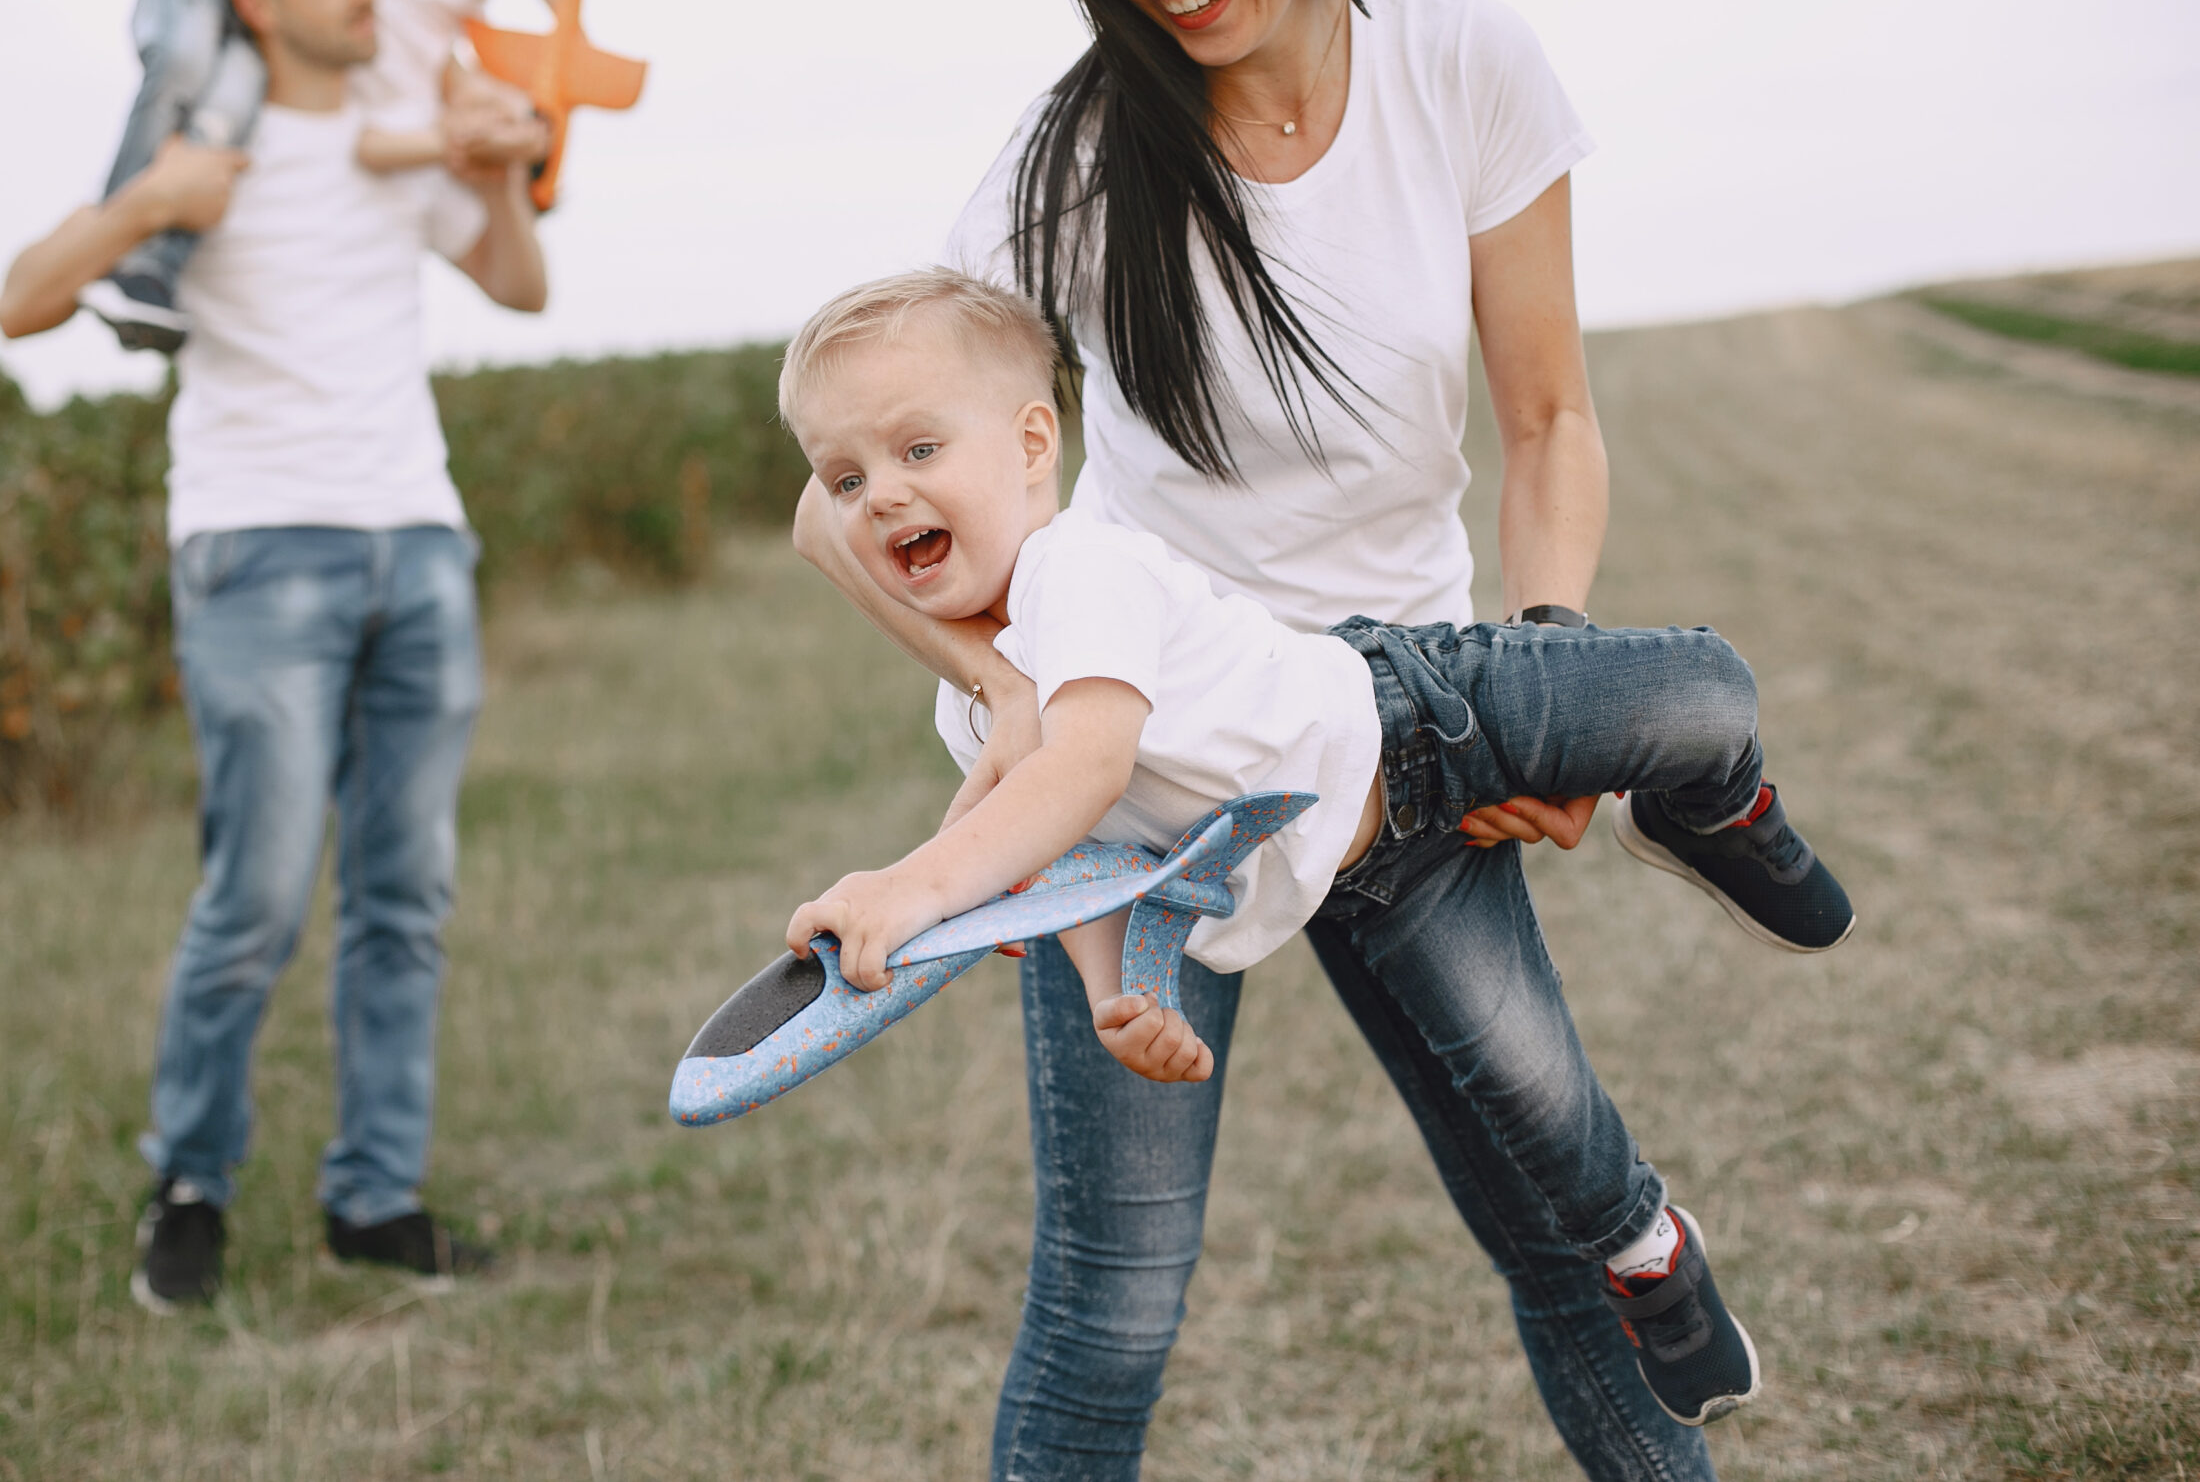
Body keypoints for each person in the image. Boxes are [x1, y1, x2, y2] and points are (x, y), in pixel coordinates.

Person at [786, 0, 1850, 1475]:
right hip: (1139, 778)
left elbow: (1550, 416)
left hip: (1405, 741)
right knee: (1106, 1314)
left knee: (1569, 1249)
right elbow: (837, 494)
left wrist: (1555, 677)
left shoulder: (1461, 66)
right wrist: (1009, 684)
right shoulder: (1067, 162)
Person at [777, 267, 1849, 1426]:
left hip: (1422, 715)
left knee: (1706, 698)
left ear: (1032, 442)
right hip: (1382, 871)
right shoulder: (971, 707)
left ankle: (1719, 811)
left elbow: (1080, 771)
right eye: (846, 477)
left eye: (916, 452)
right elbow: (1071, 862)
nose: (880, 496)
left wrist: (911, 884)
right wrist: (1112, 990)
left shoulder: (1078, 570)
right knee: (1531, 1082)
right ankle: (1649, 1250)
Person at [0, 0, 551, 1313]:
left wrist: (496, 165)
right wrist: (143, 205)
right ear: (257, 1)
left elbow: (522, 286)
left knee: (404, 892)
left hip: (418, 540)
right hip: (257, 551)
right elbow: (18, 301)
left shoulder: (400, 122)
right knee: (253, 893)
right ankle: (189, 1184)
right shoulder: (204, 144)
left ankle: (376, 1198)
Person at [78, 0, 558, 354]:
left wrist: (494, 166)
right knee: (184, 64)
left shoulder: (405, 128)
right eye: (514, 110)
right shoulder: (432, 3)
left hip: (244, 36)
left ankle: (142, 267)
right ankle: (128, 244)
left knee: (214, 105)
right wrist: (570, 24)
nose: (497, 118)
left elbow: (370, 149)